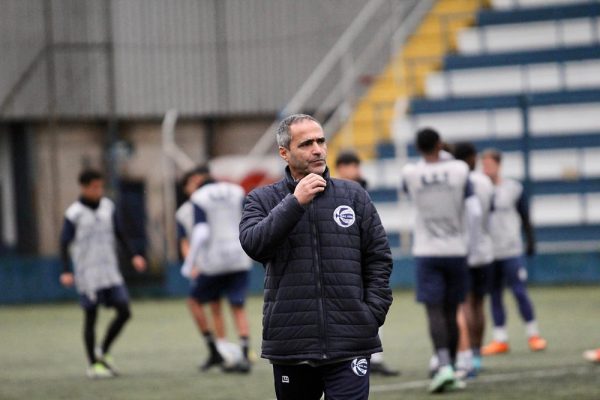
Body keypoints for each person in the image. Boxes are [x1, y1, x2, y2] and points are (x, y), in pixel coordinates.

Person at [239, 114, 393, 400]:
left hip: (351, 339)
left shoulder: (354, 195)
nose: (318, 149)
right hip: (291, 342)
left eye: (321, 141)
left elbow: (378, 258)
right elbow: (254, 245)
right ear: (284, 153)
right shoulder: (262, 199)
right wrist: (295, 202)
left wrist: (371, 314)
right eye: (306, 143)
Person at [401, 128, 481, 393]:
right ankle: (456, 367)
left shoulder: (410, 173)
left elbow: (407, 191)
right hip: (457, 248)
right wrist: (471, 245)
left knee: (434, 310)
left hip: (426, 249)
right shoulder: (459, 169)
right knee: (452, 309)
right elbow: (474, 211)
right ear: (440, 144)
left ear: (417, 147)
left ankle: (444, 364)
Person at [59, 169, 147, 379]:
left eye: (100, 186)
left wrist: (134, 255)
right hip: (87, 273)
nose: (98, 191)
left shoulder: (108, 207)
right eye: (94, 187)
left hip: (110, 271)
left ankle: (103, 350)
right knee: (91, 317)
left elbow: (120, 233)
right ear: (84, 187)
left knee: (124, 311)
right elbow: (64, 243)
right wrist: (65, 270)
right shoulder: (74, 214)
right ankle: (93, 364)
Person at [181, 165, 253, 373]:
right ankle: (246, 352)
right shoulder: (236, 190)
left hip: (214, 261)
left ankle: (213, 350)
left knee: (194, 302)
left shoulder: (199, 198)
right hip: (239, 257)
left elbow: (201, 231)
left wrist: (189, 263)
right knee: (237, 306)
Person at [335, 150, 400, 378]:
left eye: (357, 165)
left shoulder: (362, 190)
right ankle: (352, 355)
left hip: (364, 254)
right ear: (341, 168)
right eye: (351, 165)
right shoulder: (332, 191)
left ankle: (375, 357)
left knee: (372, 303)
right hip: (345, 258)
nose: (356, 170)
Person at [480, 149, 547, 355]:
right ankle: (500, 338)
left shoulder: (513, 188)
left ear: (499, 165)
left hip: (510, 249)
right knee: (495, 295)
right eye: (484, 164)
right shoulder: (479, 188)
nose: (487, 168)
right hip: (490, 252)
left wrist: (530, 240)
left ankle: (533, 334)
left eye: (490, 164)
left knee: (519, 291)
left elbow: (525, 215)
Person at [452, 142, 495, 377]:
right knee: (480, 304)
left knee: (465, 304)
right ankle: (477, 353)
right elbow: (490, 213)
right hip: (485, 250)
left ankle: (466, 355)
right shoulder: (485, 181)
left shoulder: (456, 180)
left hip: (463, 250)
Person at [176, 167, 224, 371]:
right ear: (186, 188)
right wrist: (192, 263)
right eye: (191, 182)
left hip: (218, 262)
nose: (196, 185)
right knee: (198, 303)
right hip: (201, 265)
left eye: (199, 181)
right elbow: (184, 241)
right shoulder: (184, 212)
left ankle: (224, 350)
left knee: (216, 305)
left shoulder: (213, 204)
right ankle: (214, 348)